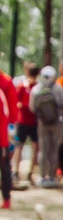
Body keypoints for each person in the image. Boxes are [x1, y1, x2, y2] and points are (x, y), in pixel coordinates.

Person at [30, 67, 63, 188]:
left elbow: (32, 108)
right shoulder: (58, 88)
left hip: (42, 123)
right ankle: (52, 176)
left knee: (43, 150)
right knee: (54, 149)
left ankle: (42, 176)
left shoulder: (36, 89)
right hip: (57, 122)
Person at [0, 70, 15, 209]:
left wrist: (10, 132)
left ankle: (6, 198)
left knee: (4, 166)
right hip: (3, 135)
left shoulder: (6, 82)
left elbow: (11, 111)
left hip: (2, 135)